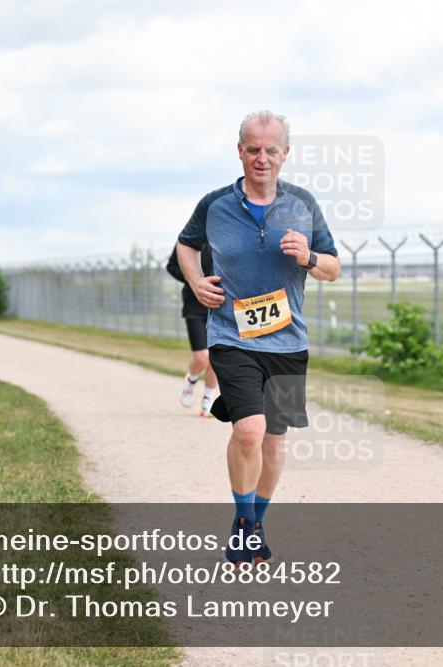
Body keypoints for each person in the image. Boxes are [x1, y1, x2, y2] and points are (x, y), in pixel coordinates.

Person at [176, 110, 341, 566]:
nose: (261, 158)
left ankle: (256, 522)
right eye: (252, 149)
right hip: (232, 334)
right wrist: (196, 282)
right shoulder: (216, 205)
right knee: (249, 429)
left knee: (274, 442)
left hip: (288, 342)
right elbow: (185, 244)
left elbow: (333, 267)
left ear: (285, 153)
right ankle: (243, 520)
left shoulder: (303, 204)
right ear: (240, 151)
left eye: (271, 149)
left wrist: (308, 257)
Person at [167, 243, 219, 417]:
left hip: (219, 304)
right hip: (194, 305)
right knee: (202, 357)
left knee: (216, 358)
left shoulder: (226, 232)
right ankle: (191, 379)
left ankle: (207, 401)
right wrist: (193, 278)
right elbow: (171, 266)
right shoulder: (189, 237)